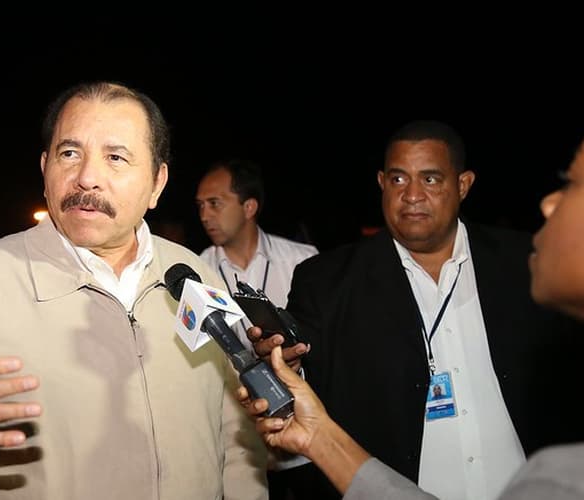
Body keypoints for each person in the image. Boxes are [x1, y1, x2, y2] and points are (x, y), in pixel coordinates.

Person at [0, 81, 268, 499]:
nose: (87, 178)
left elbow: (236, 430)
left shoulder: (194, 273)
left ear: (157, 182)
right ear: (45, 170)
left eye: (116, 157)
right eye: (69, 153)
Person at [248, 120, 584, 499]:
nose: (411, 195)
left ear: (463, 185)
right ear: (381, 183)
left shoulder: (528, 263)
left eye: (430, 179)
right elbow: (306, 372)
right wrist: (283, 368)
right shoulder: (327, 281)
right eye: (397, 180)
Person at [195, 158, 318, 497]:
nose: (204, 215)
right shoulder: (196, 271)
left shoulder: (304, 261)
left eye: (215, 203)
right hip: (239, 453)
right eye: (200, 206)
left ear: (249, 206)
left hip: (306, 447)